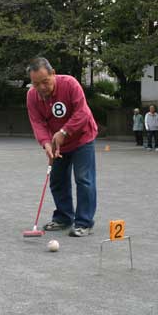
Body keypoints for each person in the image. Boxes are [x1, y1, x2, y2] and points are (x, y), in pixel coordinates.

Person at [26, 57, 98, 237]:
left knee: (83, 179)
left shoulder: (70, 84)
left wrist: (64, 132)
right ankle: (64, 217)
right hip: (57, 143)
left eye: (45, 81)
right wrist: (46, 143)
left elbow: (83, 112)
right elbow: (37, 122)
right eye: (36, 84)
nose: (42, 87)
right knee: (57, 179)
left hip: (82, 138)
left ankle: (83, 222)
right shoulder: (32, 96)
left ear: (53, 73)